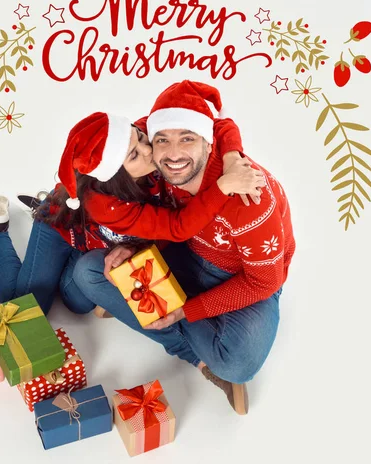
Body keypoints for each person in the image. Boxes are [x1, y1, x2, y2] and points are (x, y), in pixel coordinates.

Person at [69, 80, 296, 415]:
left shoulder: (248, 196)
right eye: (161, 141)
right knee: (88, 272)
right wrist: (136, 248)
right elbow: (172, 224)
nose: (172, 153)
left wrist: (188, 310)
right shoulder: (155, 156)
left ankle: (186, 325)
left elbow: (265, 282)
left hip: (243, 278)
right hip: (183, 253)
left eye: (187, 139)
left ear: (208, 141)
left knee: (239, 364)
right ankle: (198, 357)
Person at [0, 110, 263, 317]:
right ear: (115, 176)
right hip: (60, 225)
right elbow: (178, 228)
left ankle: (66, 248)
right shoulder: (106, 204)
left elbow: (216, 120)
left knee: (78, 304)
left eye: (142, 138)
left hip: (92, 237)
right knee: (26, 309)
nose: (149, 150)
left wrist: (231, 157)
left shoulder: (139, 138)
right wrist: (224, 186)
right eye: (134, 155)